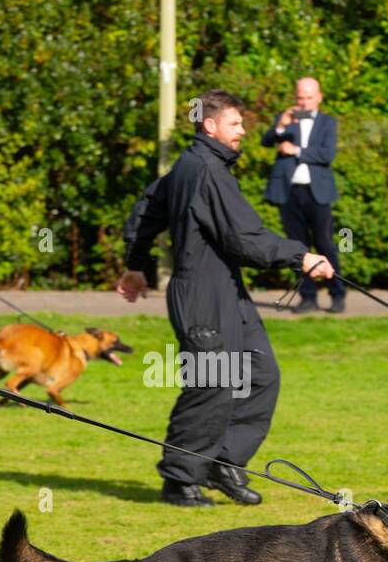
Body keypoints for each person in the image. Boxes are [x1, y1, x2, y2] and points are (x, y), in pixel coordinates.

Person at [116, 89, 334, 506]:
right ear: (210, 125)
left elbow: (145, 207)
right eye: (236, 124)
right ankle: (180, 479)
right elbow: (243, 238)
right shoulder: (202, 171)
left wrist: (135, 264)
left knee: (261, 374)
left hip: (227, 290)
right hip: (200, 294)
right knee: (211, 382)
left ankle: (225, 462)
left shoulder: (198, 165)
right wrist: (299, 256)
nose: (244, 131)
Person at [261, 76, 345, 313]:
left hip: (318, 192)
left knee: (325, 244)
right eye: (300, 97)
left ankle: (337, 292)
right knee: (298, 248)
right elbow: (266, 141)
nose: (304, 102)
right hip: (289, 192)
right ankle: (308, 297)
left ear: (319, 97)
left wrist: (296, 150)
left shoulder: (328, 122)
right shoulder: (288, 119)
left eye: (309, 97)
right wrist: (281, 125)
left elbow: (326, 155)